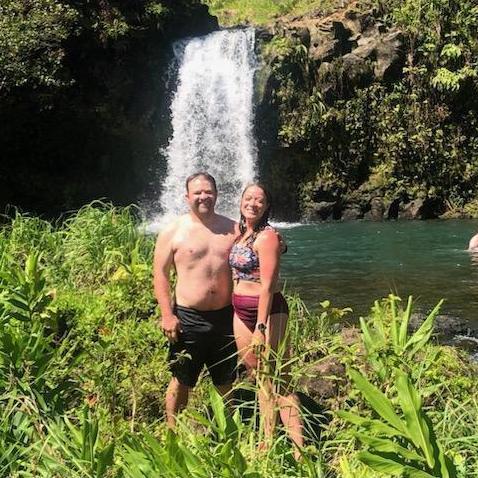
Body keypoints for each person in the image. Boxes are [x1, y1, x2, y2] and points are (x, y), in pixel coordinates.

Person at [153, 172, 238, 428]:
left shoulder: (232, 229)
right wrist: (167, 315)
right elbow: (160, 274)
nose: (204, 197)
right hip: (189, 318)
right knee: (181, 379)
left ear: (217, 194)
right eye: (197, 193)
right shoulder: (173, 231)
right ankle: (172, 433)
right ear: (187, 196)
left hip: (225, 316)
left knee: (226, 380)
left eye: (208, 192)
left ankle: (229, 432)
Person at [229, 183, 304, 457]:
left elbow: (268, 285)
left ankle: (300, 452)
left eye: (259, 200)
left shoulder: (268, 236)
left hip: (268, 313)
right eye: (248, 198)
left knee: (279, 378)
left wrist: (261, 327)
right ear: (240, 202)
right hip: (240, 311)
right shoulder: (240, 233)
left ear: (267, 207)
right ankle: (267, 441)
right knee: (259, 377)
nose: (253, 203)